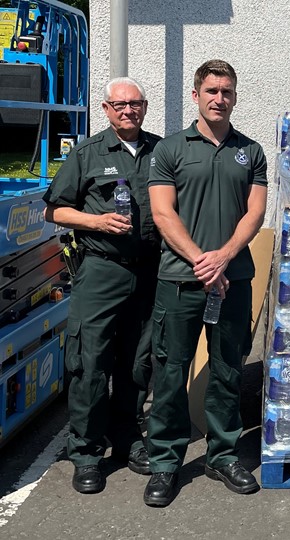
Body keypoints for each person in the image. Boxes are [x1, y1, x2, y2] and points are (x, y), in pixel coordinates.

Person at [143, 59, 268, 507]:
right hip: (180, 281)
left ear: (236, 96)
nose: (220, 98)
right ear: (196, 95)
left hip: (232, 280)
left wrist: (224, 257)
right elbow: (162, 213)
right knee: (171, 373)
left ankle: (223, 454)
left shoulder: (250, 151)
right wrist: (201, 260)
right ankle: (164, 463)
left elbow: (255, 213)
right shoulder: (171, 149)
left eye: (228, 91)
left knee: (227, 370)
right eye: (212, 90)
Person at [43, 77, 161, 494]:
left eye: (135, 104)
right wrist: (95, 221)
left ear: (144, 108)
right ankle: (87, 452)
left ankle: (127, 438)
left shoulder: (160, 151)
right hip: (100, 269)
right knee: (89, 364)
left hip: (148, 271)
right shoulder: (88, 153)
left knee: (137, 361)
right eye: (119, 104)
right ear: (107, 110)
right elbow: (54, 211)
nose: (128, 110)